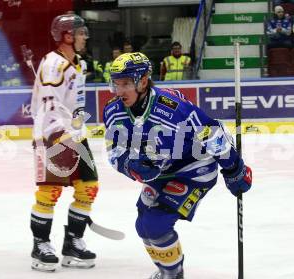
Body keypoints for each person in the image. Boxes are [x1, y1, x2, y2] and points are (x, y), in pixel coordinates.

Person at [103, 52, 253, 279]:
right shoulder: (113, 111)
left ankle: (174, 275)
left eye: (126, 83)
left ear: (143, 81)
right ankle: (167, 271)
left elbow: (211, 131)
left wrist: (234, 169)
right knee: (142, 225)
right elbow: (114, 151)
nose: (119, 90)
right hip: (162, 172)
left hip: (194, 169)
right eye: (116, 84)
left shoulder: (171, 107)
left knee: (156, 225)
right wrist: (130, 166)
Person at [29, 13, 99, 272]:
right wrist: (60, 135)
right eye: (81, 33)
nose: (84, 38)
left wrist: (79, 126)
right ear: (67, 36)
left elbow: (77, 102)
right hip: (51, 135)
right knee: (51, 191)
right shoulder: (52, 64)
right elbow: (49, 104)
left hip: (76, 135)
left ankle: (72, 243)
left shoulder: (79, 64)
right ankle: (40, 245)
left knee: (89, 188)